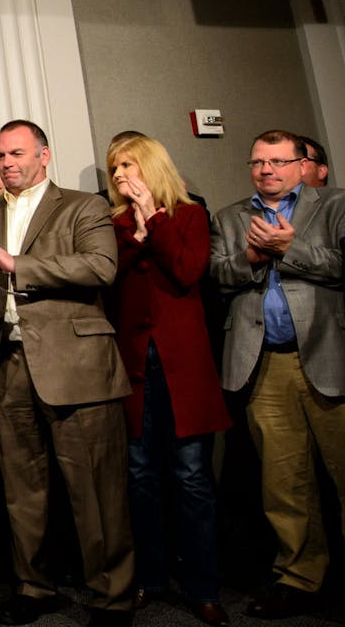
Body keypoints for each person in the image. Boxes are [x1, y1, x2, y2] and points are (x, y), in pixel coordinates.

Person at [0, 119, 133, 627]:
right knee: (20, 488)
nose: (6, 163)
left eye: (16, 153)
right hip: (1, 364)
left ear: (44, 156)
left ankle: (111, 597)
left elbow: (100, 267)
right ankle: (34, 587)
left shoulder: (83, 206)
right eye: (1, 155)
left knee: (96, 490)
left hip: (77, 367)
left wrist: (16, 266)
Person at [209, 129, 345, 619]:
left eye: (277, 161)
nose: (266, 170)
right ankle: (299, 577)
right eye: (257, 162)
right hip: (263, 362)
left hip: (329, 356)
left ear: (300, 164)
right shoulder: (230, 217)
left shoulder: (334, 206)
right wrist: (248, 258)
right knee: (283, 482)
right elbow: (216, 274)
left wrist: (290, 248)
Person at [105, 134, 231, 626]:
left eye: (127, 165)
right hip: (134, 365)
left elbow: (186, 270)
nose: (118, 175)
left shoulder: (190, 215)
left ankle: (203, 588)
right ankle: (150, 579)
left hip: (184, 367)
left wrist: (154, 218)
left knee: (193, 477)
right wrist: (133, 233)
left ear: (151, 165)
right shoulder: (112, 224)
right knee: (139, 478)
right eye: (114, 168)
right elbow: (110, 280)